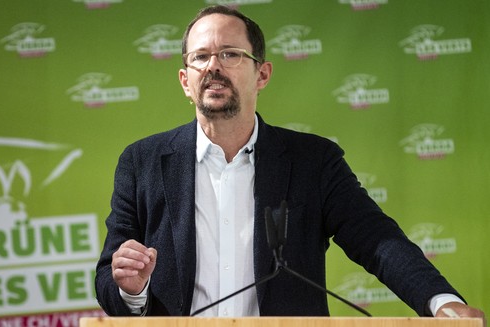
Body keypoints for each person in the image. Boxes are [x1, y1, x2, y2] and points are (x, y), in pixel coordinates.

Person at [95, 4, 486, 323]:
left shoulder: (313, 161)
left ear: (262, 73)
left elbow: (376, 239)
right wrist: (131, 289)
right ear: (185, 80)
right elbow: (111, 281)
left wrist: (440, 301)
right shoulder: (142, 162)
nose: (213, 66)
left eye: (230, 54)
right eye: (200, 57)